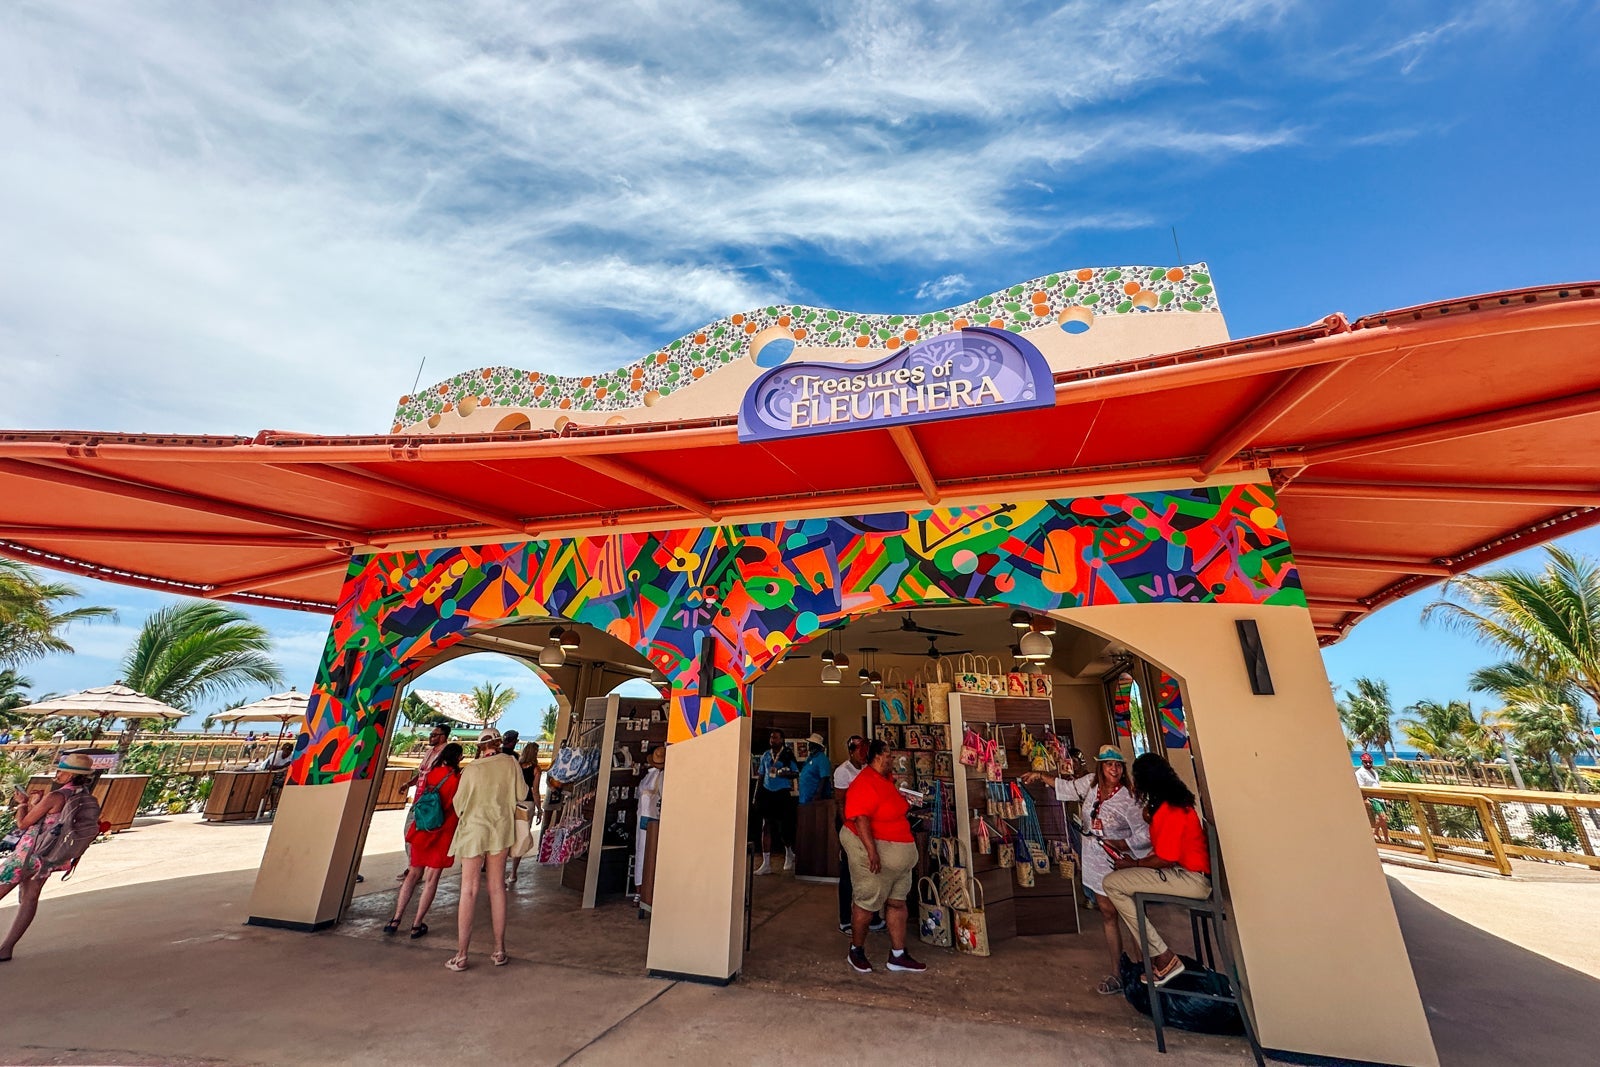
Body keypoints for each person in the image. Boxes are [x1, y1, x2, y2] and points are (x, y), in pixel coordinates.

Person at [1025, 745, 1152, 995]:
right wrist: (1040, 775)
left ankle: (1145, 972)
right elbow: (1067, 788)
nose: (1114, 769)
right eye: (1108, 764)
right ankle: (1117, 971)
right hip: (1094, 856)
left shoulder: (1129, 798)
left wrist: (1122, 844)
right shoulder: (1090, 785)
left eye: (1117, 765)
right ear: (1101, 767)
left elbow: (1145, 833)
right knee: (1107, 914)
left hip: (1120, 860)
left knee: (1132, 916)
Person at [1100, 753, 1212, 987]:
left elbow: (1165, 858)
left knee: (1113, 883)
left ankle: (1163, 956)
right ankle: (1158, 954)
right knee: (1119, 883)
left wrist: (1133, 864)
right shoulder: (1172, 803)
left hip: (1192, 879)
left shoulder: (1170, 809)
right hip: (1184, 873)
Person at [0, 752, 100, 961]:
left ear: (71, 774)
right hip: (51, 856)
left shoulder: (56, 796)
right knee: (30, 898)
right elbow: (54, 823)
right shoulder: (84, 797)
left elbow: (23, 824)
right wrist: (37, 804)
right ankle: (6, 948)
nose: (58, 773)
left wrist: (23, 803)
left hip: (29, 853)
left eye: (62, 770)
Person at [840, 739, 925, 974]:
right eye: (889, 755)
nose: (893, 759)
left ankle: (898, 955)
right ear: (879, 756)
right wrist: (871, 852)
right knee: (867, 902)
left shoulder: (886, 779)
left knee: (898, 902)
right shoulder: (864, 782)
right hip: (875, 853)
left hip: (899, 856)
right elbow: (860, 818)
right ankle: (856, 950)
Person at [447, 728, 522, 971]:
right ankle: (499, 949)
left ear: (479, 746)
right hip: (500, 829)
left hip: (473, 831)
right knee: (497, 887)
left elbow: (459, 804)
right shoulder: (510, 763)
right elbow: (521, 794)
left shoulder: (472, 769)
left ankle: (461, 955)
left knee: (468, 889)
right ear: (500, 742)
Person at [386, 742, 463, 939]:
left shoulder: (431, 774)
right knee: (431, 879)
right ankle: (417, 923)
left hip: (423, 828)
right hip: (443, 830)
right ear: (458, 758)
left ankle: (396, 918)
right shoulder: (457, 779)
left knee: (413, 874)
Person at [831, 735, 883, 934]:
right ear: (851, 751)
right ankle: (846, 919)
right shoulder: (843, 772)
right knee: (848, 871)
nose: (863, 755)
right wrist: (849, 829)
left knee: (872, 870)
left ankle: (874, 917)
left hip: (868, 824)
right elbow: (840, 803)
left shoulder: (868, 768)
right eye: (859, 751)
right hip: (851, 824)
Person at [753, 730, 799, 875]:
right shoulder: (766, 755)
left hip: (782, 792)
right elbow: (761, 775)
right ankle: (766, 864)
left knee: (783, 827)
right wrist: (756, 795)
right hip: (767, 793)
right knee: (765, 826)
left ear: (782, 740)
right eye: (771, 737)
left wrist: (784, 773)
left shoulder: (787, 754)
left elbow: (796, 773)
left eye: (776, 738)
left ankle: (789, 853)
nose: (772, 740)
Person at [507, 741, 543, 887]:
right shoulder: (536, 769)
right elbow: (535, 790)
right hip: (527, 804)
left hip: (513, 803)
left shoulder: (516, 767)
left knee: (508, 835)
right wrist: (539, 809)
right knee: (522, 837)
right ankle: (513, 872)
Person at [634, 743, 667, 896]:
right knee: (641, 850)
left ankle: (642, 889)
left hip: (650, 817)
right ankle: (640, 888)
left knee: (645, 851)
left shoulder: (659, 777)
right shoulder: (651, 776)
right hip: (646, 816)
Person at [1355, 752, 1389, 843]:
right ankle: (1376, 833)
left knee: (1383, 821)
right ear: (1362, 762)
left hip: (1379, 797)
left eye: (1370, 762)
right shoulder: (1359, 773)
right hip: (1372, 798)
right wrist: (1365, 799)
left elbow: (1377, 784)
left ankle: (1386, 839)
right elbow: (1361, 787)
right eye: (1366, 762)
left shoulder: (1374, 772)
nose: (1368, 764)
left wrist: (1385, 797)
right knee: (1383, 817)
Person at [797, 733, 833, 805]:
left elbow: (824, 778)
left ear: (817, 746)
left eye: (811, 743)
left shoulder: (822, 759)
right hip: (805, 796)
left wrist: (818, 794)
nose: (809, 745)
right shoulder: (811, 758)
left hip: (814, 798)